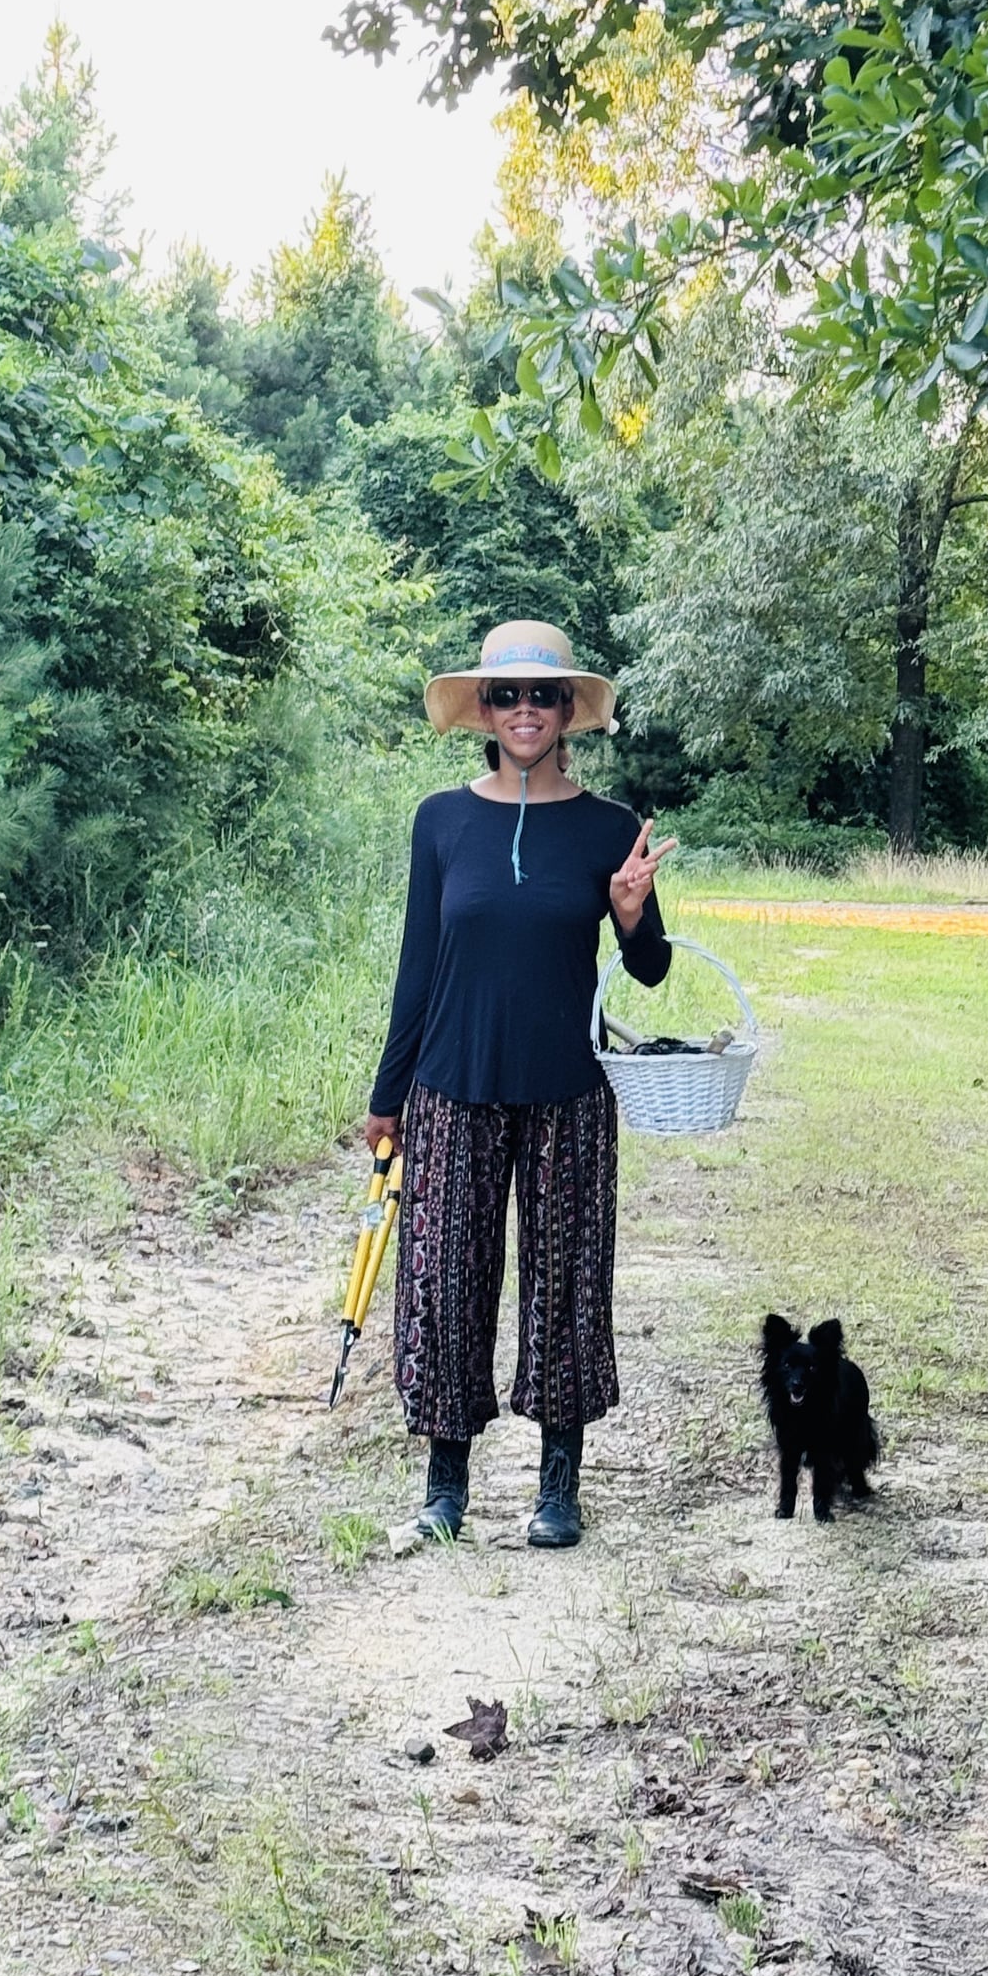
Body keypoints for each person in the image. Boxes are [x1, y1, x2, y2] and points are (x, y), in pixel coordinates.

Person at [364, 620, 675, 1549]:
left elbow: (651, 969)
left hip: (568, 1092)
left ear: (569, 710)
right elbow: (418, 967)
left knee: (565, 1284)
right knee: (447, 1283)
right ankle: (445, 1487)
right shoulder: (441, 821)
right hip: (452, 1087)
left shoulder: (611, 829)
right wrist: (389, 1100)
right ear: (485, 711)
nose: (526, 710)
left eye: (543, 695)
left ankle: (558, 1488)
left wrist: (628, 915)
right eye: (508, 696)